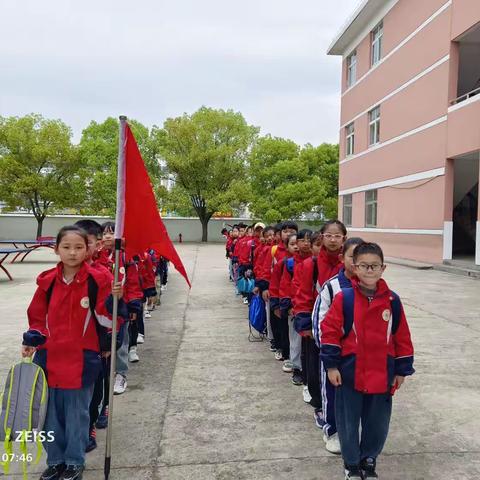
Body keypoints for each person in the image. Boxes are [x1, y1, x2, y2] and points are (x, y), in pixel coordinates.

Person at [22, 226, 123, 480]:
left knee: (77, 415)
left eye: (79, 247)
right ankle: (55, 460)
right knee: (48, 416)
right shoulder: (46, 281)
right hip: (48, 359)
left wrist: (113, 302)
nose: (72, 252)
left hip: (82, 360)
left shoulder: (98, 279)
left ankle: (74, 461)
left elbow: (107, 321)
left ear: (88, 249)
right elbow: (36, 317)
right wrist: (32, 338)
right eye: (66, 247)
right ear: (56, 249)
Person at [321, 242, 415, 479]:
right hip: (349, 373)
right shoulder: (345, 298)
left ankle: (369, 459)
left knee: (377, 423)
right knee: (348, 422)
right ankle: (352, 464)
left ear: (383, 268)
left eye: (374, 266)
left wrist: (401, 369)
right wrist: (331, 365)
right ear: (355, 267)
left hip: (382, 373)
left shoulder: (392, 301)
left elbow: (401, 335)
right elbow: (330, 331)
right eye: (364, 265)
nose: (370, 271)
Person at [312, 237, 364, 454]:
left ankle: (353, 430)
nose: (357, 263)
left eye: (362, 259)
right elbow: (320, 320)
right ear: (343, 258)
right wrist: (328, 351)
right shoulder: (332, 287)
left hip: (361, 357)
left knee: (358, 395)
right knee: (333, 394)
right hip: (336, 354)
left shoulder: (371, 287)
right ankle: (331, 430)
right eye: (353, 257)